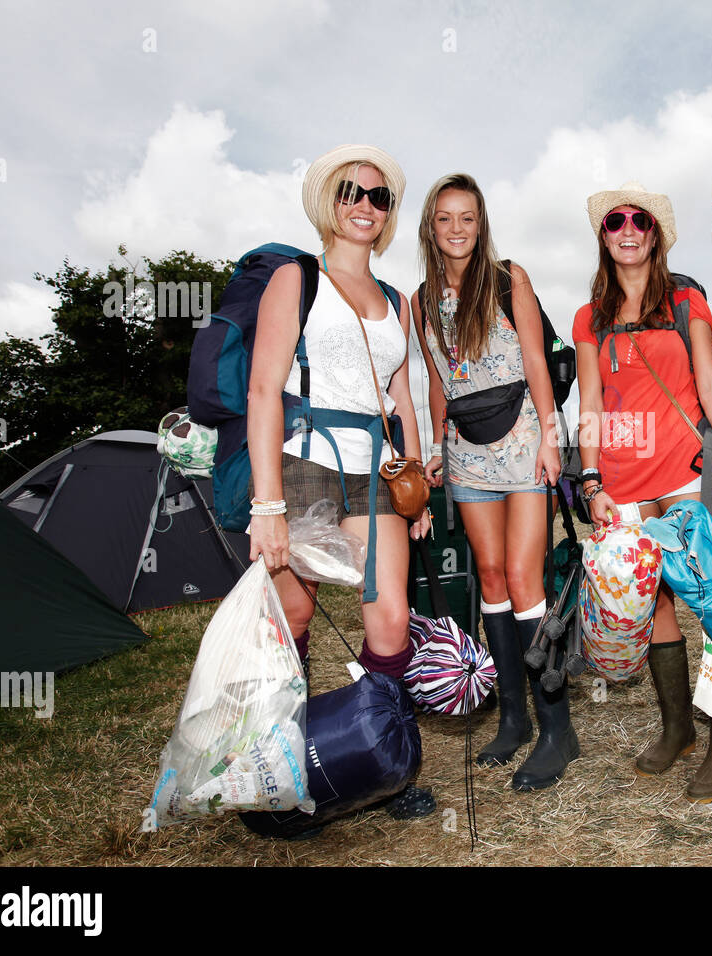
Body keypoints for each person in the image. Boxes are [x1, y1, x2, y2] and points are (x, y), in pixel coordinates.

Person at [247, 144, 434, 817]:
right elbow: (264, 390)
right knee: (292, 615)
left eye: (379, 197)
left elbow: (402, 398)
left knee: (390, 621)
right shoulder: (295, 279)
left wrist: (415, 484)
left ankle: (379, 759)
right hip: (304, 459)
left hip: (375, 468)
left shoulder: (396, 301)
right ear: (331, 203)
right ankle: (284, 774)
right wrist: (267, 505)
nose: (365, 205)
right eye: (353, 192)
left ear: (387, 216)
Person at [573, 181, 712, 803]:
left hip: (684, 469)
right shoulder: (588, 316)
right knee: (655, 605)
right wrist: (591, 478)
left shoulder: (685, 299)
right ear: (604, 235)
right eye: (614, 221)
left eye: (638, 220)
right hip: (621, 480)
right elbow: (589, 400)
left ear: (654, 234)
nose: (626, 229)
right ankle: (677, 728)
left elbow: (708, 380)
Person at [413, 173, 577, 791]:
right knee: (488, 579)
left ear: (482, 226)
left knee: (523, 577)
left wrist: (551, 436)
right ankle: (512, 719)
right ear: (431, 227)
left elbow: (536, 358)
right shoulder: (421, 299)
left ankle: (557, 728)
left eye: (469, 218)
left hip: (522, 442)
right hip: (465, 451)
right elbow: (436, 381)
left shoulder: (510, 278)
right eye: (446, 218)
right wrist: (434, 448)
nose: (457, 230)